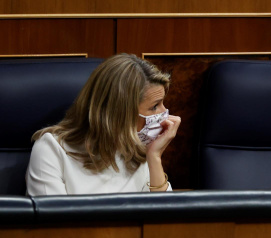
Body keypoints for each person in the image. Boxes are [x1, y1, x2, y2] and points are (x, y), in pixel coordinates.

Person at [26, 53, 181, 195]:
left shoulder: (141, 148)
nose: (164, 114)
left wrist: (154, 157)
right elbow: (54, 223)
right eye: (155, 106)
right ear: (120, 113)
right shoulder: (52, 149)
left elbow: (166, 220)